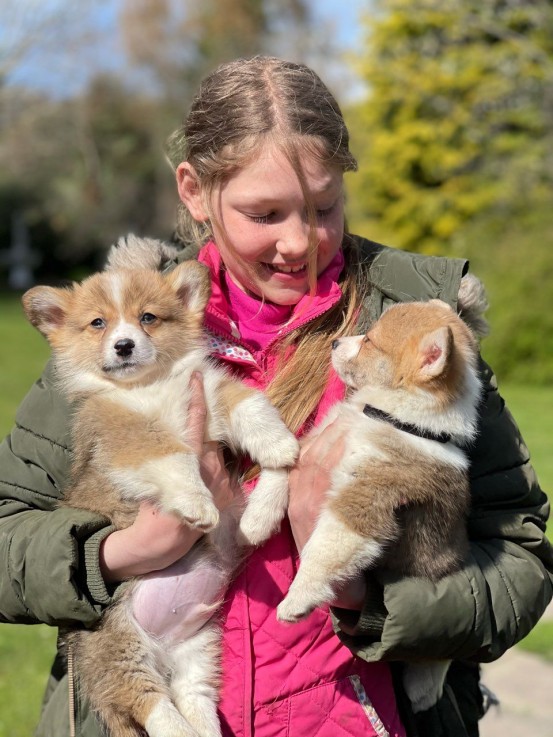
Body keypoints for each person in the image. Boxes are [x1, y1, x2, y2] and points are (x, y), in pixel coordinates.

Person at [0, 55, 551, 737]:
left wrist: (369, 597)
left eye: (323, 207)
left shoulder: (412, 327)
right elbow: (6, 538)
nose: (299, 243)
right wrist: (120, 551)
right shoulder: (119, 340)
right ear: (195, 193)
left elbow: (518, 554)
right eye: (264, 213)